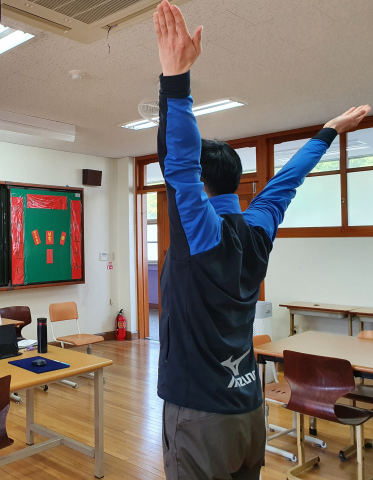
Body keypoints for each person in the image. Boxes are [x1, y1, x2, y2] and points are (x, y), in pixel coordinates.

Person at [152, 1, 370, 479]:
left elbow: (180, 166)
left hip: (201, 418)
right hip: (249, 413)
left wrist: (176, 81)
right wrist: (329, 132)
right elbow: (287, 180)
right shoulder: (258, 228)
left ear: (202, 189)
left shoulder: (202, 233)